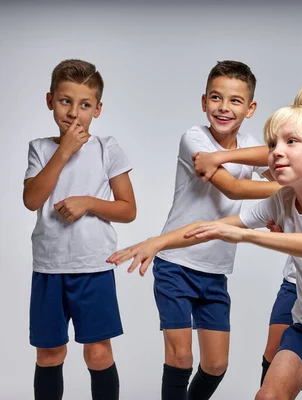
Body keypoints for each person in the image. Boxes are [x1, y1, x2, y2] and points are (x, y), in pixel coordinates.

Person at [107, 105, 302, 400]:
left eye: (290, 142)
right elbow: (216, 226)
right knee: (266, 396)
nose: (276, 152)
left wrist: (245, 235)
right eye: (272, 144)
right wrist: (158, 241)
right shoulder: (282, 200)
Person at [192, 74, 302, 390]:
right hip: (298, 280)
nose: (300, 124)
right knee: (275, 359)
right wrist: (222, 155)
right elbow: (270, 155)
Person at [137, 60, 279, 400]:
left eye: (235, 101)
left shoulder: (247, 143)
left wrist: (282, 199)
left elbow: (277, 158)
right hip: (176, 261)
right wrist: (286, 190)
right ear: (204, 102)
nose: (224, 108)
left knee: (216, 364)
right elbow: (232, 188)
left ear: (250, 108)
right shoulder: (194, 139)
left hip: (215, 271)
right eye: (216, 98)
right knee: (181, 357)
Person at [23, 59, 137, 400]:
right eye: (65, 101)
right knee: (49, 354)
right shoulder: (40, 148)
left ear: (97, 109)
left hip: (93, 268)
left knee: (99, 354)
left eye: (85, 104)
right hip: (49, 268)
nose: (74, 112)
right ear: (50, 101)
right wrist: (64, 151)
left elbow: (128, 209)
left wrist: (88, 202)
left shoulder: (107, 148)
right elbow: (31, 199)